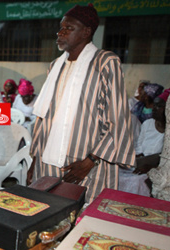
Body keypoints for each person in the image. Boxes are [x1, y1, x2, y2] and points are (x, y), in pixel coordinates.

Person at [28, 4, 135, 203]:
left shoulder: (105, 62)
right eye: (61, 27)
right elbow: (44, 117)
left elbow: (117, 118)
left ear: (86, 32)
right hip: (48, 163)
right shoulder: (55, 66)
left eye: (69, 28)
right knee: (46, 215)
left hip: (86, 165)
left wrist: (90, 161)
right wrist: (34, 162)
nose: (60, 32)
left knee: (80, 218)